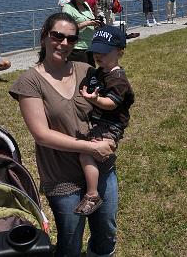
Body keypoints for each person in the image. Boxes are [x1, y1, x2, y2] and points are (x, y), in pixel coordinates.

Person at [9, 13, 117, 257]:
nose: (64, 43)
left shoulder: (86, 69)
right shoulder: (30, 81)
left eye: (71, 39)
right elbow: (41, 135)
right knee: (70, 240)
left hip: (101, 166)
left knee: (106, 232)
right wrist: (89, 147)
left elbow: (111, 108)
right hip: (61, 175)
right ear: (45, 37)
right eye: (58, 36)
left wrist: (112, 137)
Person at [75, 25, 134, 216]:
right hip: (99, 123)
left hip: (111, 125)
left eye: (104, 52)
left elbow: (112, 104)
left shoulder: (118, 78)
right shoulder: (99, 72)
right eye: (95, 52)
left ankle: (92, 195)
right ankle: (96, 180)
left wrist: (95, 100)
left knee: (88, 154)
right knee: (87, 152)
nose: (98, 56)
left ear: (120, 52)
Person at [62, 0, 100, 66]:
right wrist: (86, 23)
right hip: (77, 48)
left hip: (89, 46)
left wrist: (96, 24)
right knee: (81, 75)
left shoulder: (86, 4)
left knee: (91, 72)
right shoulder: (67, 8)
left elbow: (91, 19)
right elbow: (67, 30)